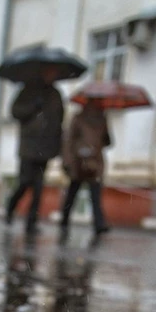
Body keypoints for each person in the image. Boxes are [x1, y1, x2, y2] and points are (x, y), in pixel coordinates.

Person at [4, 70, 65, 234]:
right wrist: (33, 106)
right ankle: (10, 208)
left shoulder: (55, 94)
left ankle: (31, 223)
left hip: (45, 148)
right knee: (24, 182)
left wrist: (58, 146)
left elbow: (59, 120)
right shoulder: (28, 90)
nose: (51, 75)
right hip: (28, 147)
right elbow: (15, 112)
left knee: (38, 188)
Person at [60, 102, 112, 240]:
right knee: (73, 193)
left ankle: (99, 224)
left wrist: (106, 133)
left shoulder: (103, 120)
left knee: (95, 195)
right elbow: (69, 139)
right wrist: (68, 160)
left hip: (95, 164)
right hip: (79, 162)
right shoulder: (78, 119)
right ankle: (64, 220)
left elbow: (107, 141)